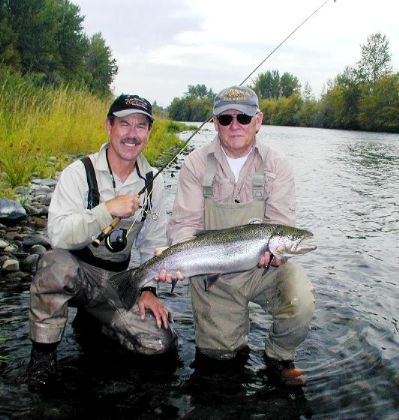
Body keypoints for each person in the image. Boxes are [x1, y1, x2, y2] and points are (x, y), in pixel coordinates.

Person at [165, 85, 315, 386]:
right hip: (211, 272)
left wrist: (278, 256)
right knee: (220, 367)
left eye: (243, 118)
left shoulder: (277, 166)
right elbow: (184, 223)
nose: (235, 125)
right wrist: (175, 259)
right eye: (225, 119)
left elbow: (281, 223)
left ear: (257, 120)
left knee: (300, 300)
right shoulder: (196, 164)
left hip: (264, 271)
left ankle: (279, 359)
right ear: (214, 122)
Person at [26, 94, 177, 388]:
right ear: (109, 126)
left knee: (159, 342)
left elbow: (151, 242)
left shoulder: (153, 181)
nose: (132, 134)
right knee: (53, 263)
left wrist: (148, 289)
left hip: (120, 281)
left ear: (148, 133)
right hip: (76, 271)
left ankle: (99, 322)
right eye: (124, 124)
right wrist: (106, 210)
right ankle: (42, 355)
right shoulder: (78, 173)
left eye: (141, 126)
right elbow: (57, 234)